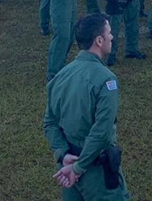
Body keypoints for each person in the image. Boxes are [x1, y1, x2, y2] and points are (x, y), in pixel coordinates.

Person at [44, 14, 130, 200]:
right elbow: (102, 132)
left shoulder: (60, 76)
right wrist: (79, 167)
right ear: (99, 40)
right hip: (95, 172)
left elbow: (50, 122)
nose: (112, 37)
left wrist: (63, 153)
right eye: (109, 32)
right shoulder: (106, 80)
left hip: (67, 167)